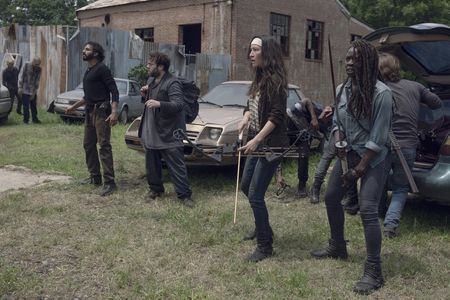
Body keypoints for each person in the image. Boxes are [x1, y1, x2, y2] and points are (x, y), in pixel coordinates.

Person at [310, 39, 392, 295]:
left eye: (354, 58)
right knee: (332, 197)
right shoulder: (341, 89)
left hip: (374, 158)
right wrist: (338, 140)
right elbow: (336, 121)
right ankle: (337, 246)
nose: (348, 62)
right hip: (349, 153)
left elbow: (378, 139)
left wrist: (357, 171)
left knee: (367, 209)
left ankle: (374, 270)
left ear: (367, 62)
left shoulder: (382, 94)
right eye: (346, 58)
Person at [378, 52, 441, 238]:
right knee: (400, 188)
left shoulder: (378, 90)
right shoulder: (415, 86)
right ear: (397, 67)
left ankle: (379, 214)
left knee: (379, 182)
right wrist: (420, 100)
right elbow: (437, 103)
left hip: (382, 144)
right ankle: (390, 226)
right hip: (407, 146)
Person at [238, 35, 289, 262]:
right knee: (247, 186)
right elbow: (250, 105)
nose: (250, 54)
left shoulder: (276, 81)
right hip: (257, 141)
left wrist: (257, 139)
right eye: (250, 49)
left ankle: (265, 245)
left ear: (267, 53)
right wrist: (246, 115)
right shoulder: (258, 79)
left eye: (255, 50)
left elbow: (276, 116)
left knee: (256, 195)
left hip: (270, 145)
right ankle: (263, 228)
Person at [138, 52, 193, 208]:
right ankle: (155, 189)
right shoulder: (151, 81)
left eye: (150, 64)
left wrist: (159, 103)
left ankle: (184, 195)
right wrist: (145, 95)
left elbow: (178, 104)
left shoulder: (172, 83)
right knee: (152, 164)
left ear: (160, 67)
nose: (147, 66)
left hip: (169, 132)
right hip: (152, 130)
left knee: (176, 165)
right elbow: (149, 102)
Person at [65, 41, 119, 197]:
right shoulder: (89, 71)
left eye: (87, 49)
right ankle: (95, 177)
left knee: (104, 146)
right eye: (84, 48)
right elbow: (87, 96)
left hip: (102, 112)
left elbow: (114, 92)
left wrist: (114, 112)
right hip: (89, 111)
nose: (83, 51)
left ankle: (110, 182)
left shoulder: (103, 69)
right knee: (88, 144)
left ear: (95, 53)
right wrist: (73, 107)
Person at [310, 105, 360, 214]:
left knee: (348, 160)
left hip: (352, 128)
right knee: (328, 156)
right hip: (342, 128)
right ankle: (316, 188)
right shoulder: (344, 92)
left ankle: (350, 197)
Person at [274, 97, 319, 198]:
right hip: (286, 137)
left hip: (302, 135)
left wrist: (313, 117)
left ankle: (302, 185)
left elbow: (307, 100)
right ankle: (279, 181)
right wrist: (279, 176)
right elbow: (277, 153)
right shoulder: (276, 126)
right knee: (277, 152)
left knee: (303, 155)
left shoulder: (294, 108)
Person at [19, 58, 41, 124]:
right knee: (25, 106)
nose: (37, 66)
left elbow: (37, 80)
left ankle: (34, 119)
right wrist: (20, 87)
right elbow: (21, 76)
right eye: (36, 64)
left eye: (38, 64)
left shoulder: (39, 69)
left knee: (33, 105)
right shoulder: (26, 65)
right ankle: (26, 120)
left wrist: (34, 92)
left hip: (33, 89)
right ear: (32, 62)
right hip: (25, 89)